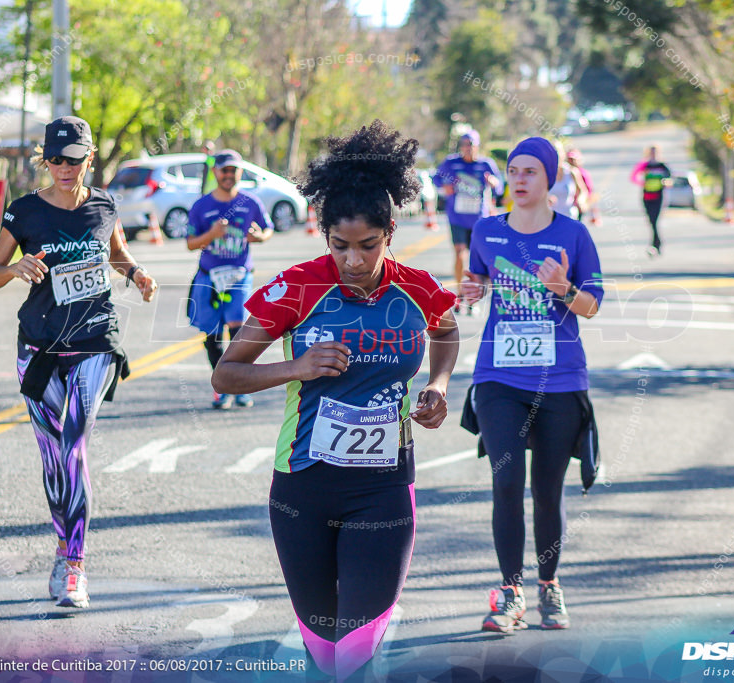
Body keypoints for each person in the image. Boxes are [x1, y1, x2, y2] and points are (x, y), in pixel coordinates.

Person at [212, 120, 459, 679]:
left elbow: (444, 330)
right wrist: (297, 367)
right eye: (339, 245)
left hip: (384, 487)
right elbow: (226, 375)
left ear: (390, 231)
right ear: (323, 235)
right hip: (304, 487)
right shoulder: (298, 287)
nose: (353, 259)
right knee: (323, 652)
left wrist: (438, 386)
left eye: (368, 245)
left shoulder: (415, 287)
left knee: (355, 650)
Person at [0, 116, 159, 609]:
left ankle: (74, 565)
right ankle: (63, 548)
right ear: (45, 160)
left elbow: (118, 253)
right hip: (38, 349)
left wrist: (137, 274)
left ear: (89, 158)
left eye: (73, 159)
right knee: (53, 455)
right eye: (54, 159)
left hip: (95, 342)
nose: (63, 168)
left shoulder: (104, 204)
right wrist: (15, 267)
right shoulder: (24, 213)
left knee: (74, 442)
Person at [461, 137, 604, 632]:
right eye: (514, 171)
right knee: (505, 482)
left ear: (550, 181)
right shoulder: (486, 231)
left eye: (530, 173)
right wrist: (471, 291)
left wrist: (562, 289)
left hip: (560, 378)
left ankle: (549, 586)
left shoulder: (574, 235)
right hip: (499, 376)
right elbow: (475, 284)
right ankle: (510, 591)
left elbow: (593, 304)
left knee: (547, 490)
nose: (519, 180)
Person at [186, 149, 274, 410]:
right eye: (224, 170)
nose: (228, 175)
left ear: (240, 172)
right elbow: (191, 243)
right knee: (212, 335)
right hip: (209, 277)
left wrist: (260, 237)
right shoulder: (202, 206)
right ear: (215, 172)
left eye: (233, 170)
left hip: (239, 275)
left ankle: (242, 384)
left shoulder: (251, 202)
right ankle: (222, 385)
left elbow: (267, 229)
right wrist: (212, 233)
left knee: (238, 327)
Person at [432, 130, 503, 313]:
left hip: (479, 219)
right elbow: (436, 177)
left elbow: (500, 187)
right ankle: (458, 293)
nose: (467, 149)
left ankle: (473, 296)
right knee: (459, 253)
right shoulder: (451, 163)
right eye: (464, 145)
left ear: (477, 146)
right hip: (457, 216)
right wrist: (443, 186)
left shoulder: (486, 164)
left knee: (476, 259)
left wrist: (494, 182)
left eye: (470, 145)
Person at [630, 145, 672, 255]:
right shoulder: (644, 165)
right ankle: (657, 243)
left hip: (658, 196)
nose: (653, 154)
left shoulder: (662, 165)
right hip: (647, 196)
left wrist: (665, 182)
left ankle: (655, 243)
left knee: (655, 220)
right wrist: (642, 182)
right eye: (651, 152)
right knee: (651, 220)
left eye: (655, 152)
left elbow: (670, 177)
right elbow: (633, 177)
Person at [566, 148, 600, 225]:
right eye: (570, 159)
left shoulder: (583, 173)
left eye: (574, 160)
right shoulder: (565, 173)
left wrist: (593, 213)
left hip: (578, 205)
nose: (572, 162)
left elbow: (589, 191)